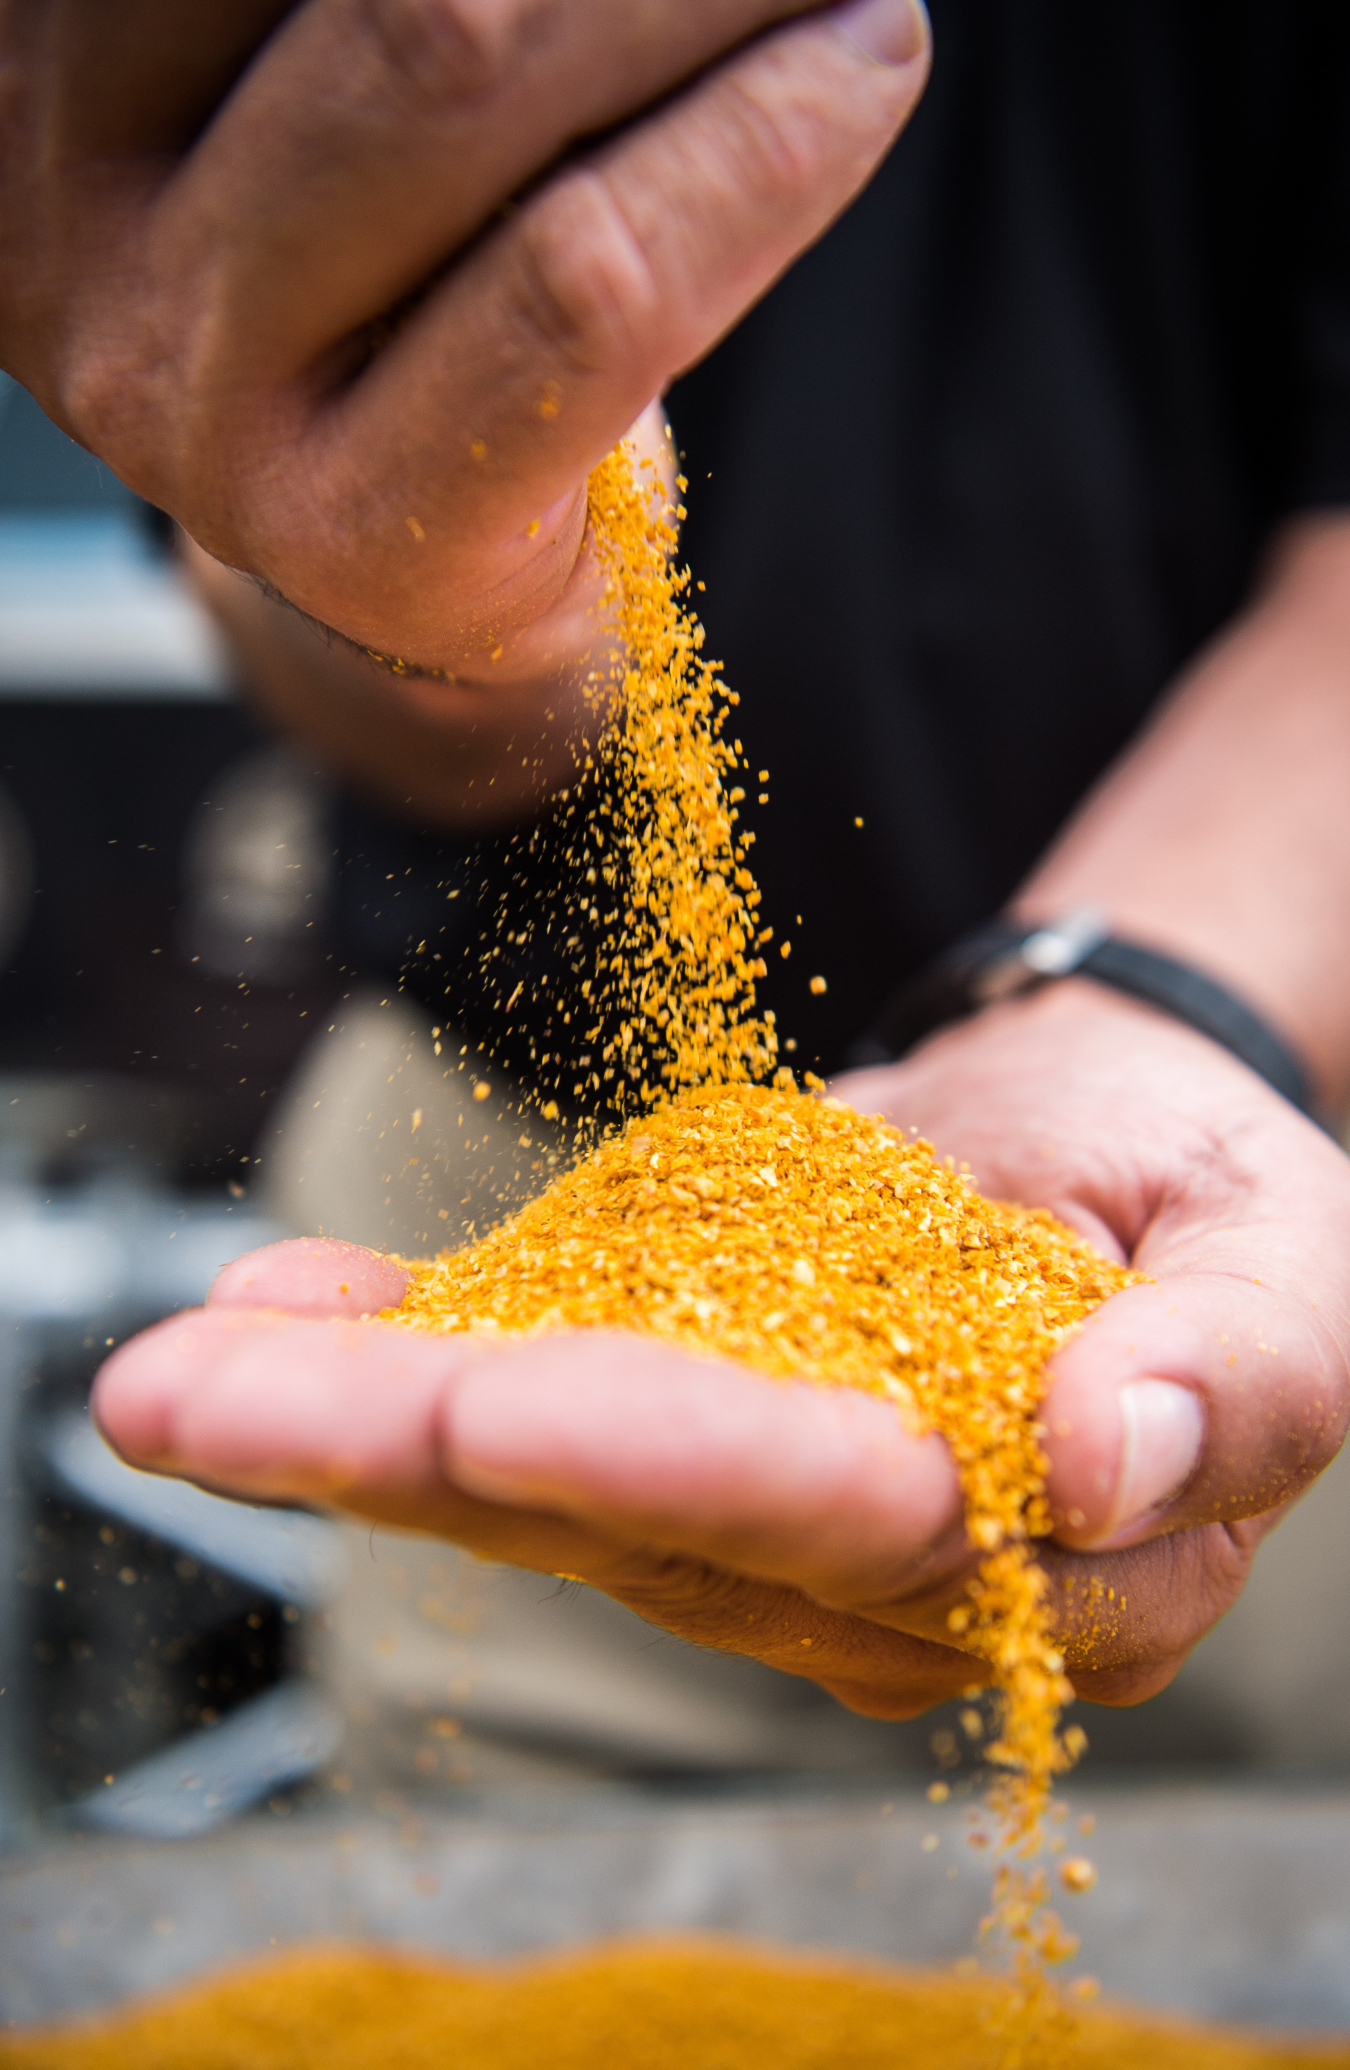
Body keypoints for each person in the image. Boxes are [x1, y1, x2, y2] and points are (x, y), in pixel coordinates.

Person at [7, 0, 1350, 1727]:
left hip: (1245, 1173)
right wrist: (431, 600)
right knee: (566, 1955)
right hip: (502, 1170)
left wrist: (1142, 995)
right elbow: (306, 550)